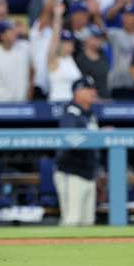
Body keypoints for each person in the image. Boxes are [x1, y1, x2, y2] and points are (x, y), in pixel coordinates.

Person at [54, 76, 100, 226]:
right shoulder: (70, 113)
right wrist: (96, 136)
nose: (93, 92)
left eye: (93, 89)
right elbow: (71, 139)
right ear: (77, 92)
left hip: (88, 173)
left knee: (87, 223)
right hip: (72, 173)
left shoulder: (90, 115)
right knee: (71, 220)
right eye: (88, 89)